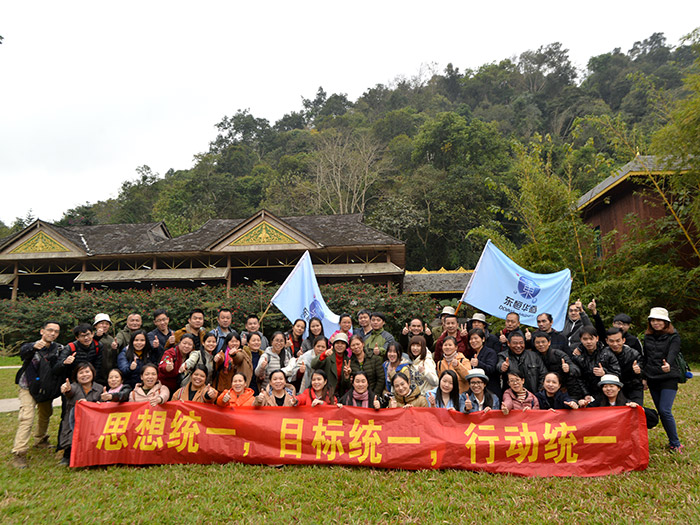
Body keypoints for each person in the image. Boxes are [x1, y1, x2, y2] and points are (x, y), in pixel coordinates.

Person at [12, 321, 62, 469]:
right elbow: (23, 351)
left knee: (46, 413)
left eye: (56, 332)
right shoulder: (32, 346)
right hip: (27, 386)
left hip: (46, 388)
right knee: (27, 416)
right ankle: (19, 452)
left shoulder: (58, 348)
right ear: (42, 331)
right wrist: (32, 347)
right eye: (50, 330)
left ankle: (40, 439)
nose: (52, 333)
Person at [642, 307, 684, 453]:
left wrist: (669, 364)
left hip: (669, 377)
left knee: (665, 410)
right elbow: (646, 358)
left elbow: (673, 352)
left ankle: (676, 443)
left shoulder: (674, 336)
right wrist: (644, 377)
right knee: (661, 410)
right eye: (653, 320)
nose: (656, 323)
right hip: (652, 377)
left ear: (666, 322)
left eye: (659, 320)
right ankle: (672, 441)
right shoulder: (647, 337)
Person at [58, 362, 103, 466]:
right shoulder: (74, 387)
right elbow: (69, 392)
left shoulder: (99, 388)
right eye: (81, 373)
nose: (84, 375)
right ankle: (67, 455)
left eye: (87, 372)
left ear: (93, 373)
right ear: (76, 376)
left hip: (92, 423)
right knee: (71, 438)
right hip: (74, 421)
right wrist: (66, 389)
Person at [570, 326, 620, 399]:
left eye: (591, 338)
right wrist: (586, 394)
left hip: (605, 392)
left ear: (597, 338)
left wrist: (604, 373)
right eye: (585, 339)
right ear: (581, 339)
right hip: (585, 393)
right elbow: (578, 378)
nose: (589, 342)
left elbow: (617, 374)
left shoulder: (607, 353)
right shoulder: (577, 355)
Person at [531, 330, 583, 399]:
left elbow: (576, 370)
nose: (540, 344)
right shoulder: (534, 357)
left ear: (549, 343)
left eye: (543, 342)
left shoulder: (558, 354)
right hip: (546, 391)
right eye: (537, 342)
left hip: (566, 391)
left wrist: (568, 369)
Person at [497, 331, 547, 396]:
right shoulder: (503, 355)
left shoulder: (534, 356)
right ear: (508, 343)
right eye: (515, 343)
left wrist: (539, 393)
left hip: (533, 395)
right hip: (511, 397)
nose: (518, 346)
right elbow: (498, 366)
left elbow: (543, 375)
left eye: (521, 343)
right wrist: (502, 367)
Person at [604, 327, 643, 404]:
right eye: (611, 341)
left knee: (636, 409)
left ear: (623, 340)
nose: (615, 344)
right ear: (607, 341)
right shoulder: (603, 354)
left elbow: (643, 370)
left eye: (618, 341)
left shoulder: (633, 354)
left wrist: (639, 371)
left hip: (632, 386)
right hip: (612, 388)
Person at [311, 333, 351, 399]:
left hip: (340, 394)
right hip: (325, 393)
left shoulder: (347, 360)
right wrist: (323, 355)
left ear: (346, 346)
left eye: (342, 343)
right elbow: (313, 365)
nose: (340, 345)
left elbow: (347, 385)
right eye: (337, 343)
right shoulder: (328, 356)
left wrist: (347, 377)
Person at [466, 328, 500, 397]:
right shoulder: (473, 355)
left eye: (476, 338)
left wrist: (479, 364)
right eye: (471, 339)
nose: (473, 341)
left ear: (483, 339)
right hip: (478, 391)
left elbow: (491, 369)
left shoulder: (490, 352)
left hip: (490, 390)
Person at [93, 313, 117, 380]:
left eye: (107, 324)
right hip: (95, 373)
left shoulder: (111, 339)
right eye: (102, 323)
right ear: (95, 325)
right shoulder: (90, 337)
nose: (104, 326)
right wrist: (97, 336)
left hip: (109, 374)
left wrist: (114, 349)